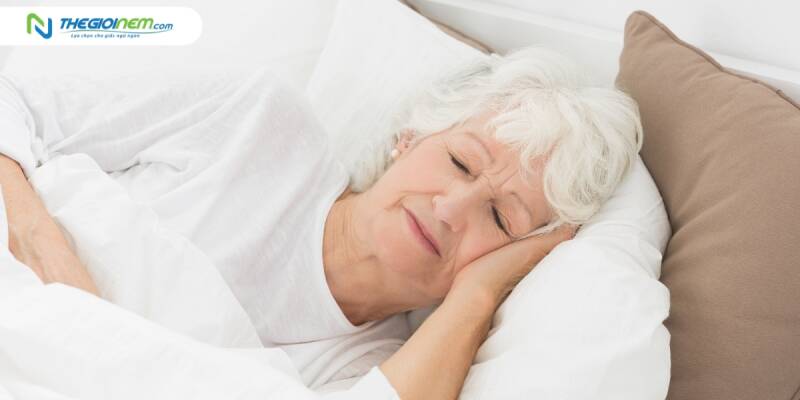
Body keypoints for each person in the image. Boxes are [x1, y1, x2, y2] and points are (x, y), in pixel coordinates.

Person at [0, 47, 641, 399]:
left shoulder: (369, 370)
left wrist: (476, 297)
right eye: (458, 162)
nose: (450, 209)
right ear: (410, 136)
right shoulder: (258, 120)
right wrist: (39, 240)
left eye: (498, 218)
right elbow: (15, 100)